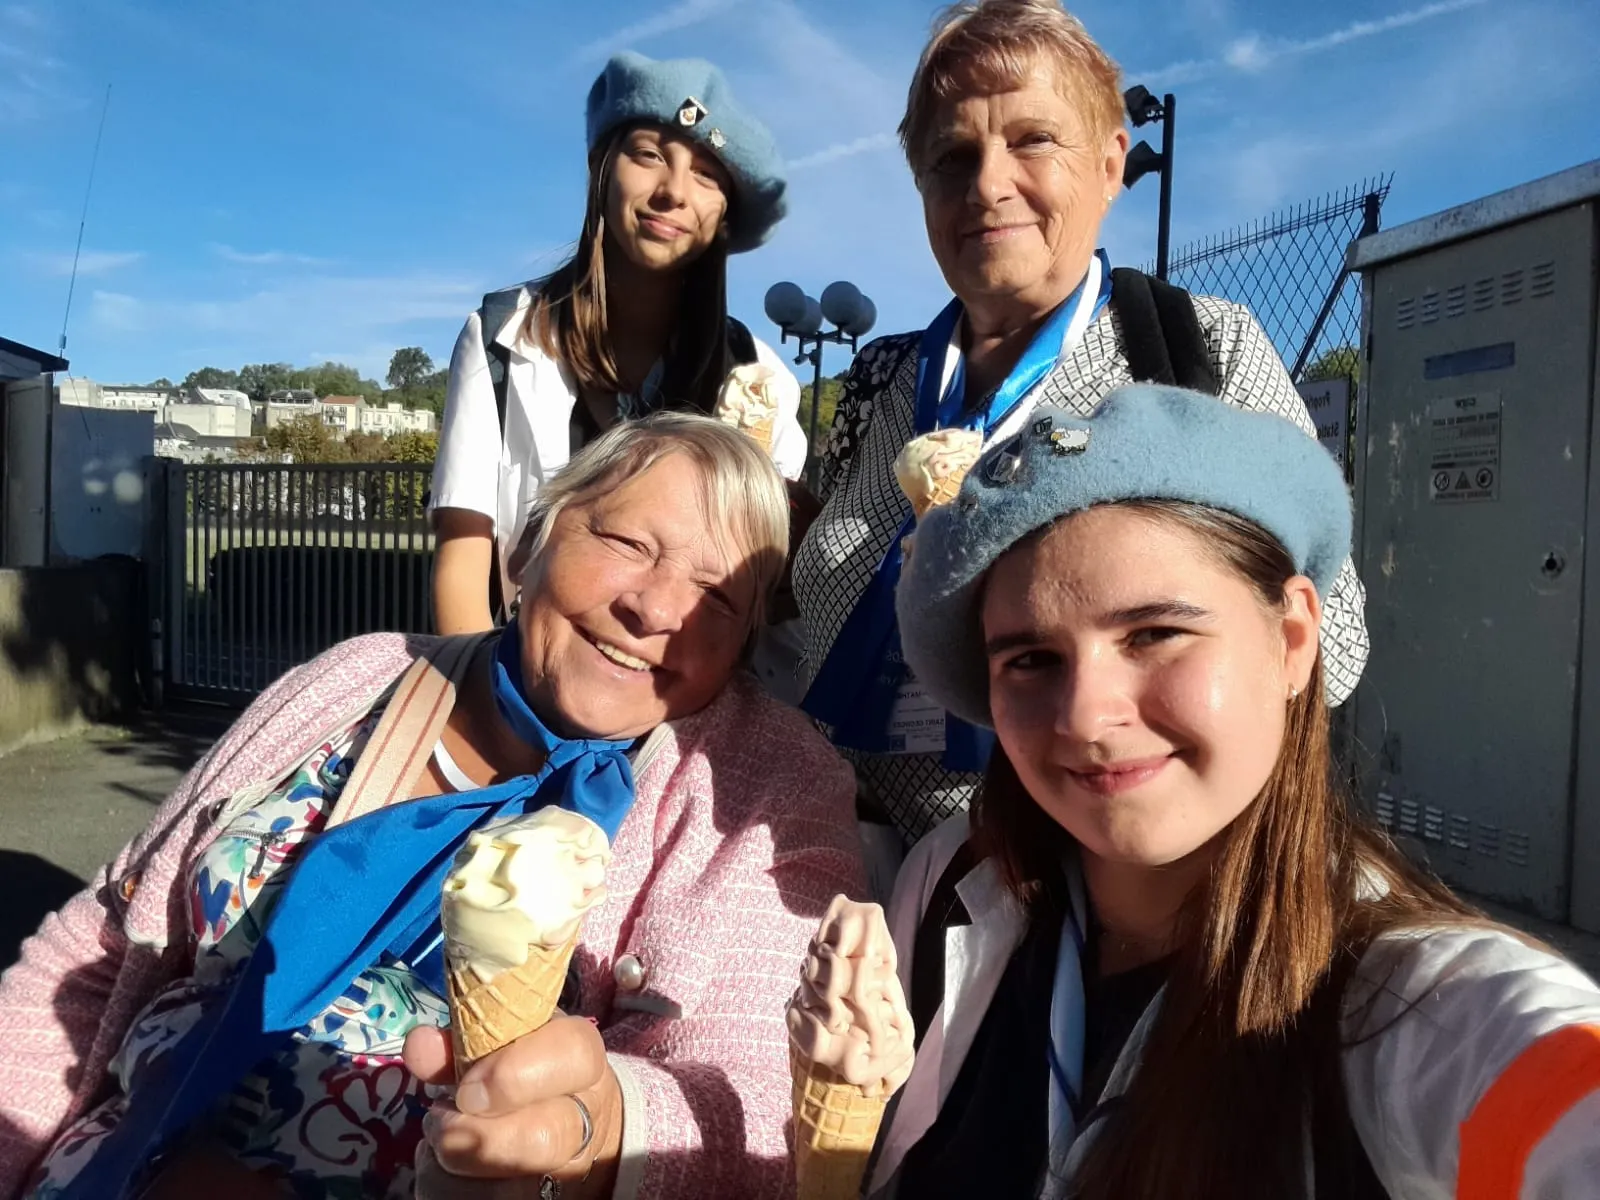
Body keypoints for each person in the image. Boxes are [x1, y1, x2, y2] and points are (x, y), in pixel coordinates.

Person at [0, 414, 865, 1200]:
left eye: (718, 596)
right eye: (628, 541)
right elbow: (99, 948)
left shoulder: (766, 785)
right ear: (528, 546)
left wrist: (601, 1132)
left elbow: (761, 1107)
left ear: (743, 645)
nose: (656, 608)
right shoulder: (361, 675)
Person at [866, 384, 1600, 1198]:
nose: (1086, 718)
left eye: (1154, 634)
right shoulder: (950, 887)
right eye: (1031, 659)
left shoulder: (1408, 1005)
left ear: (1293, 640)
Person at [791, 0, 1370, 865]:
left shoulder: (1194, 351)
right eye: (952, 157)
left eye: (1032, 140)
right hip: (855, 864)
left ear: (1109, 166)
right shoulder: (878, 381)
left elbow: (1336, 644)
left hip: (1085, 883)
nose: (987, 184)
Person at [431, 50, 808, 635]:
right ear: (601, 169)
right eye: (649, 155)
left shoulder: (761, 379)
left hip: (684, 684)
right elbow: (462, 559)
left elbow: (759, 599)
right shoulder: (500, 336)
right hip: (515, 669)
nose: (673, 191)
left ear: (725, 216)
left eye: (706, 175)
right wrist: (487, 688)